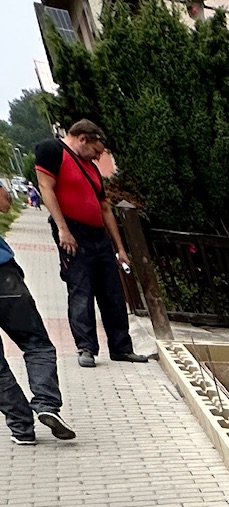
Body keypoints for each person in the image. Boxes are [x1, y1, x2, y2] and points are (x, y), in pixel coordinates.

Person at [33, 120, 149, 368]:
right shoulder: (52, 151)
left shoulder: (91, 169)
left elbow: (105, 207)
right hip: (73, 231)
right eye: (96, 150)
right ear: (83, 138)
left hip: (99, 235)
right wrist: (63, 229)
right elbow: (46, 188)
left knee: (112, 292)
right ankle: (86, 347)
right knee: (81, 289)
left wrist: (120, 248)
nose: (97, 157)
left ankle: (121, 347)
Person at [0, 182, 75, 446]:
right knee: (37, 344)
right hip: (3, 277)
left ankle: (21, 427)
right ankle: (46, 404)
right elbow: (3, 203)